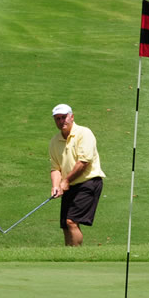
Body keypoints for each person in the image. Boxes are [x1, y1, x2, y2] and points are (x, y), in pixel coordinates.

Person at [48, 104, 105, 246]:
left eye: (64, 117)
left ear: (72, 117)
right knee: (65, 225)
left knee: (71, 221)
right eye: (57, 119)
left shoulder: (84, 133)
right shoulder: (54, 142)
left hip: (88, 181)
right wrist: (56, 186)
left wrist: (65, 181)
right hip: (70, 184)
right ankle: (68, 257)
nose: (61, 121)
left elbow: (84, 162)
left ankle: (76, 255)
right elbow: (55, 168)